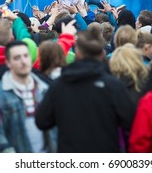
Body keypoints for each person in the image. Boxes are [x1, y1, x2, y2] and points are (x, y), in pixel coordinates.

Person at [35, 25, 135, 153]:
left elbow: (42, 121)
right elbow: (130, 121)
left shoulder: (59, 85)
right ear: (102, 53)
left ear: (77, 52)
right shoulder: (113, 85)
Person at [0, 41, 55, 153]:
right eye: (17, 58)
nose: (23, 61)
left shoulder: (44, 87)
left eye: (26, 56)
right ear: (8, 63)